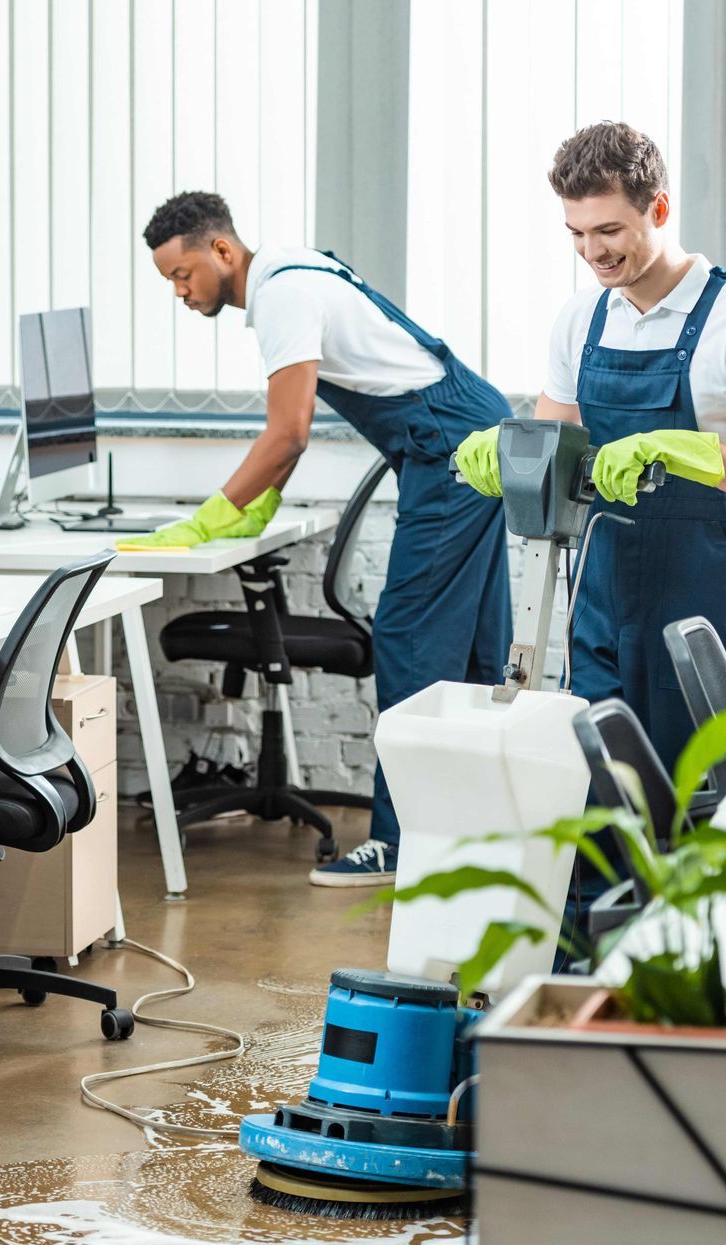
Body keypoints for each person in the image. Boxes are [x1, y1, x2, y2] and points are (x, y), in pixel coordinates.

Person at [453, 121, 726, 950]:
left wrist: (685, 451)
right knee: (600, 795)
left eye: (610, 230)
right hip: (602, 594)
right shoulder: (580, 322)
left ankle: (694, 982)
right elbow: (554, 454)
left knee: (691, 800)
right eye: (576, 235)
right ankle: (591, 990)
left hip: (701, 606)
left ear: (659, 207)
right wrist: (507, 454)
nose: (594, 253)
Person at [134, 192, 513, 888]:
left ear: (221, 251)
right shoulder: (296, 271)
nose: (181, 292)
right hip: (472, 429)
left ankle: (401, 843)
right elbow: (294, 430)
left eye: (182, 274)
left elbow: (289, 431)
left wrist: (213, 516)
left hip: (452, 449)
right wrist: (260, 501)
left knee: (410, 637)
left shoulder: (280, 297)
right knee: (476, 645)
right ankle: (485, 829)